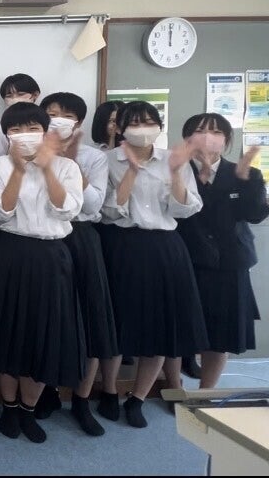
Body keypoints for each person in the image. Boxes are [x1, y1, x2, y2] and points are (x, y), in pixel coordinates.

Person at [98, 100, 208, 428]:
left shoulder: (172, 160)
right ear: (120, 128)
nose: (142, 128)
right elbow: (108, 212)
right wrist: (132, 172)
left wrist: (174, 173)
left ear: (159, 126)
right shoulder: (108, 161)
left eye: (149, 121)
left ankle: (138, 398)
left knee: (161, 329)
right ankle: (108, 391)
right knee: (117, 324)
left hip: (165, 248)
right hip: (123, 246)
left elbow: (186, 209)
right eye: (134, 122)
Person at [0, 102, 84, 444]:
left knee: (45, 333)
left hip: (51, 256)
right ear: (6, 136)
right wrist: (18, 169)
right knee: (8, 330)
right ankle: (9, 407)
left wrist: (47, 168)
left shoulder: (67, 166)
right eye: (15, 130)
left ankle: (29, 408)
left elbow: (67, 210)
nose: (24, 135)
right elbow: (1, 210)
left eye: (32, 128)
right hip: (9, 253)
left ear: (44, 132)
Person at [40, 92, 117, 436]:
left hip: (82, 238)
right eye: (51, 113)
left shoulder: (94, 157)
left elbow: (93, 206)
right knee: (50, 319)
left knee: (90, 319)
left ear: (79, 122)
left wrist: (72, 163)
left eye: (66, 115)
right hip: (46, 239)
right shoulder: (32, 152)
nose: (58, 120)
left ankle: (82, 401)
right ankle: (47, 391)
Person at [175, 113, 267, 388]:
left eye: (216, 132)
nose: (207, 137)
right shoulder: (175, 169)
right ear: (187, 138)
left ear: (226, 140)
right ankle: (174, 387)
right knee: (177, 329)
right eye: (200, 130)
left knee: (221, 334)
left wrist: (247, 182)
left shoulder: (245, 173)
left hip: (228, 263)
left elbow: (255, 215)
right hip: (185, 260)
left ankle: (205, 392)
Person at [0, 73, 41, 160]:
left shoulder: (47, 122)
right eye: (9, 96)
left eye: (20, 94)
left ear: (35, 95)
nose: (15, 99)